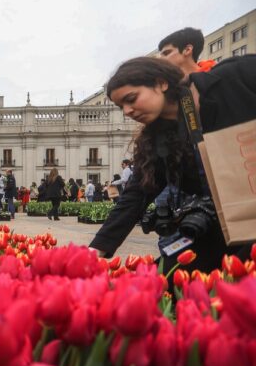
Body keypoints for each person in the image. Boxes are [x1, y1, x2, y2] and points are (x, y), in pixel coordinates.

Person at [90, 55, 256, 272]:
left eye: (131, 98)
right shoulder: (158, 142)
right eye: (121, 106)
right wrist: (94, 251)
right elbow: (135, 197)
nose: (127, 111)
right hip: (226, 227)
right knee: (161, 281)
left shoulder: (234, 77)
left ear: (161, 83)